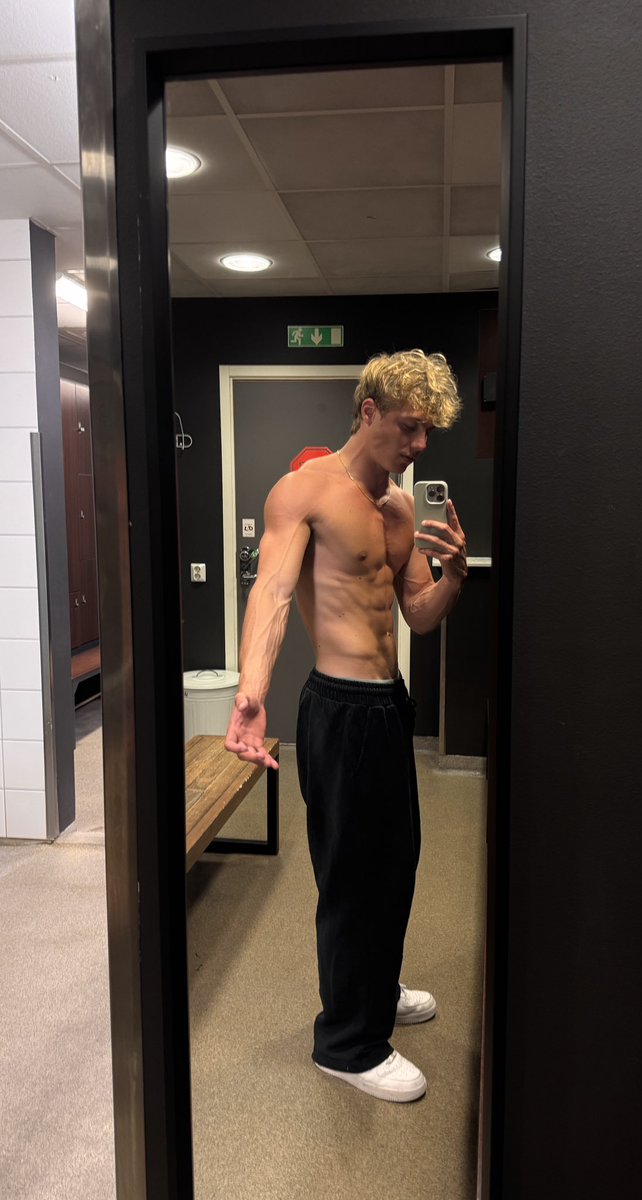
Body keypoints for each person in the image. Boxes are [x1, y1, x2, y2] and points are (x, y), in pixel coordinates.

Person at [225, 349, 467, 1103]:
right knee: (351, 879)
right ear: (368, 411)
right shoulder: (305, 491)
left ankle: (374, 985)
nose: (419, 445)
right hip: (338, 707)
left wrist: (455, 576)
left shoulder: (398, 509)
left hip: (389, 707)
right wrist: (251, 691)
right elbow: (271, 591)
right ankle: (347, 1043)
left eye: (428, 433)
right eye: (409, 427)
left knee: (396, 864)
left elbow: (418, 616)